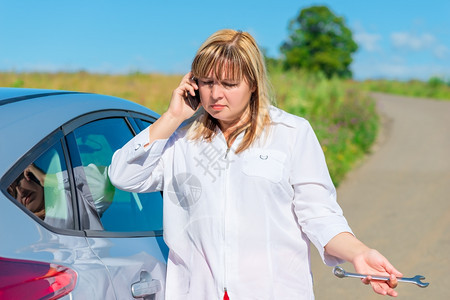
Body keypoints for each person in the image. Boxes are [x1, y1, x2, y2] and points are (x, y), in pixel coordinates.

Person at [108, 29, 402, 299]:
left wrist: (359, 253)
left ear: (253, 84)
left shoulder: (291, 134)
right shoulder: (180, 141)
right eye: (207, 82)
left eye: (229, 83)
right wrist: (172, 117)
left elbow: (319, 216)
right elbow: (124, 176)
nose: (216, 94)